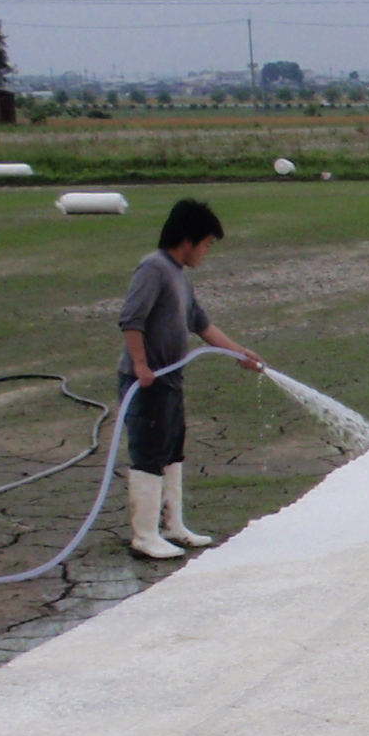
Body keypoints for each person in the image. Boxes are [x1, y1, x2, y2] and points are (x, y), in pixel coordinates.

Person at [115, 198, 263, 560]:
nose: (207, 252)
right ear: (188, 239)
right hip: (148, 383)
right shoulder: (153, 269)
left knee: (172, 451)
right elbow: (130, 319)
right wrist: (141, 365)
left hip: (170, 381)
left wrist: (240, 353)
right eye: (208, 244)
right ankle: (145, 535)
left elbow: (202, 326)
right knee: (149, 453)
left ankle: (172, 526)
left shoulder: (178, 277)